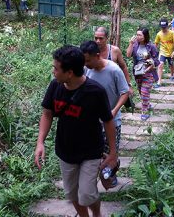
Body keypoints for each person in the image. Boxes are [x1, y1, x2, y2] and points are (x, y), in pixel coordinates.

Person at [35, 46, 118, 217]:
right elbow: (47, 113)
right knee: (72, 194)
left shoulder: (95, 91)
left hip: (91, 151)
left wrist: (112, 153)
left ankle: (96, 213)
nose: (53, 72)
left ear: (70, 72)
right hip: (65, 151)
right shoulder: (55, 86)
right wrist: (40, 142)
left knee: (87, 194)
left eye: (56, 69)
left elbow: (108, 121)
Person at [81, 41, 130, 158]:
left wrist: (114, 111)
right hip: (91, 122)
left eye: (88, 60)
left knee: (109, 159)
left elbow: (125, 92)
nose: (85, 64)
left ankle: (110, 176)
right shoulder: (86, 69)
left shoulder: (114, 70)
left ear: (97, 56)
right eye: (84, 61)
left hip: (112, 121)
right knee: (92, 158)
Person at [126, 28, 159, 121]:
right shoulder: (135, 45)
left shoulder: (151, 46)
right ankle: (147, 104)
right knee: (141, 91)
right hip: (138, 72)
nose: (137, 36)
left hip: (148, 73)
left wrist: (149, 67)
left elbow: (156, 61)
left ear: (145, 36)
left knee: (144, 92)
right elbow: (128, 55)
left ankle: (144, 111)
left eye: (140, 35)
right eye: (137, 34)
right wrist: (131, 44)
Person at [93, 27, 134, 97]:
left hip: (112, 87)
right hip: (95, 87)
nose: (98, 41)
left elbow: (123, 67)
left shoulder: (114, 51)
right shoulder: (91, 51)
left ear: (107, 38)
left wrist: (128, 85)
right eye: (96, 38)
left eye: (101, 38)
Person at [154, 18, 174, 85]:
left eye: (164, 27)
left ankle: (172, 75)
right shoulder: (159, 34)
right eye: (162, 27)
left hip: (171, 52)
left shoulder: (172, 33)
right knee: (160, 65)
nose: (163, 29)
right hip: (162, 52)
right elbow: (156, 44)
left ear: (167, 26)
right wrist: (153, 52)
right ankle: (159, 81)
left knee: (171, 64)